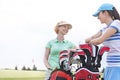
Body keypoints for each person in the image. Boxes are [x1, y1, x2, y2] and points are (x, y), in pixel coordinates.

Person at [85, 3, 120, 80]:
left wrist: (91, 41)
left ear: (105, 12)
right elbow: (89, 39)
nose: (98, 17)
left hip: (117, 66)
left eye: (99, 14)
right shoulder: (104, 29)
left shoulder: (117, 23)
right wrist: (88, 40)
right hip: (110, 65)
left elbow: (99, 40)